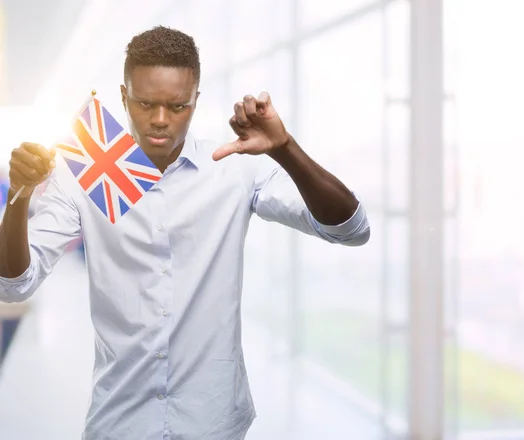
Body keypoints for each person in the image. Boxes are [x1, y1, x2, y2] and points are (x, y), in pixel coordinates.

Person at [0, 26, 370, 440]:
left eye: (177, 106)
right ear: (123, 98)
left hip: (211, 422)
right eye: (145, 104)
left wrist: (285, 148)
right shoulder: (85, 176)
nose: (160, 121)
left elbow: (350, 229)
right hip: (120, 422)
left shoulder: (233, 167)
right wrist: (20, 195)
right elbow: (13, 285)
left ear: (196, 100)